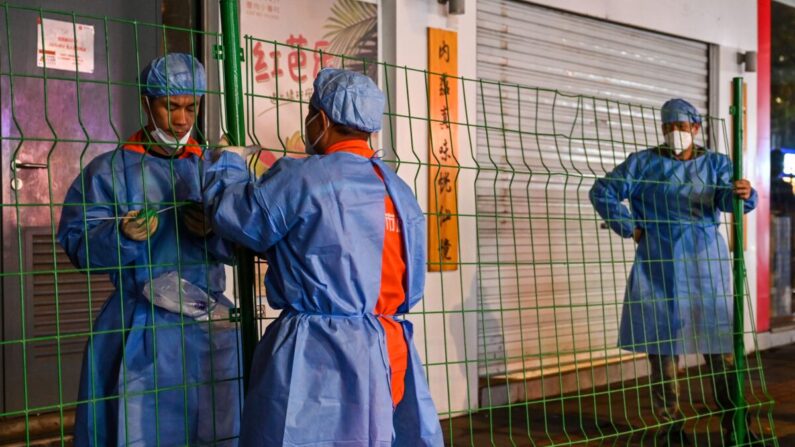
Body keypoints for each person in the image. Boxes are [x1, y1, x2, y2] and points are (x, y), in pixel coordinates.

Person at [203, 68, 444, 446]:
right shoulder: (399, 190)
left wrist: (226, 166)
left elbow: (240, 218)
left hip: (316, 351)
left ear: (323, 119)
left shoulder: (304, 178)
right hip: (388, 347)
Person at [58, 53, 241, 447]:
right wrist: (121, 236)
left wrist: (214, 230)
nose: (181, 119)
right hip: (136, 324)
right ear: (146, 103)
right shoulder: (109, 172)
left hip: (205, 322)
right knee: (136, 429)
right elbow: (77, 244)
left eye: (191, 107)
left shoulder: (212, 169)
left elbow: (244, 241)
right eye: (170, 106)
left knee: (216, 429)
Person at [589, 98, 758, 444]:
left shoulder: (715, 165)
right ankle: (671, 428)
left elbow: (729, 199)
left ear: (696, 128)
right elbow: (602, 190)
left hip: (704, 265)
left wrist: (745, 193)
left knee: (721, 348)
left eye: (681, 127)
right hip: (658, 263)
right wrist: (631, 227)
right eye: (668, 127)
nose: (675, 133)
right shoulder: (643, 164)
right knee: (663, 351)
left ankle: (734, 425)